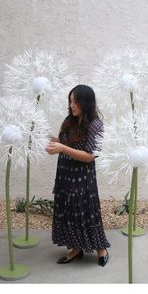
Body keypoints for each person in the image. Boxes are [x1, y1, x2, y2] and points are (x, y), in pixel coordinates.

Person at [46, 84, 110, 266]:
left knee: (87, 211)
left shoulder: (95, 125)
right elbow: (66, 143)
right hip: (65, 175)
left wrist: (63, 148)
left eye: (75, 101)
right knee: (69, 211)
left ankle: (100, 249)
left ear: (86, 102)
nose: (72, 105)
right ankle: (76, 248)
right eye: (70, 101)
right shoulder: (70, 120)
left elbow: (90, 156)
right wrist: (52, 141)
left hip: (82, 177)